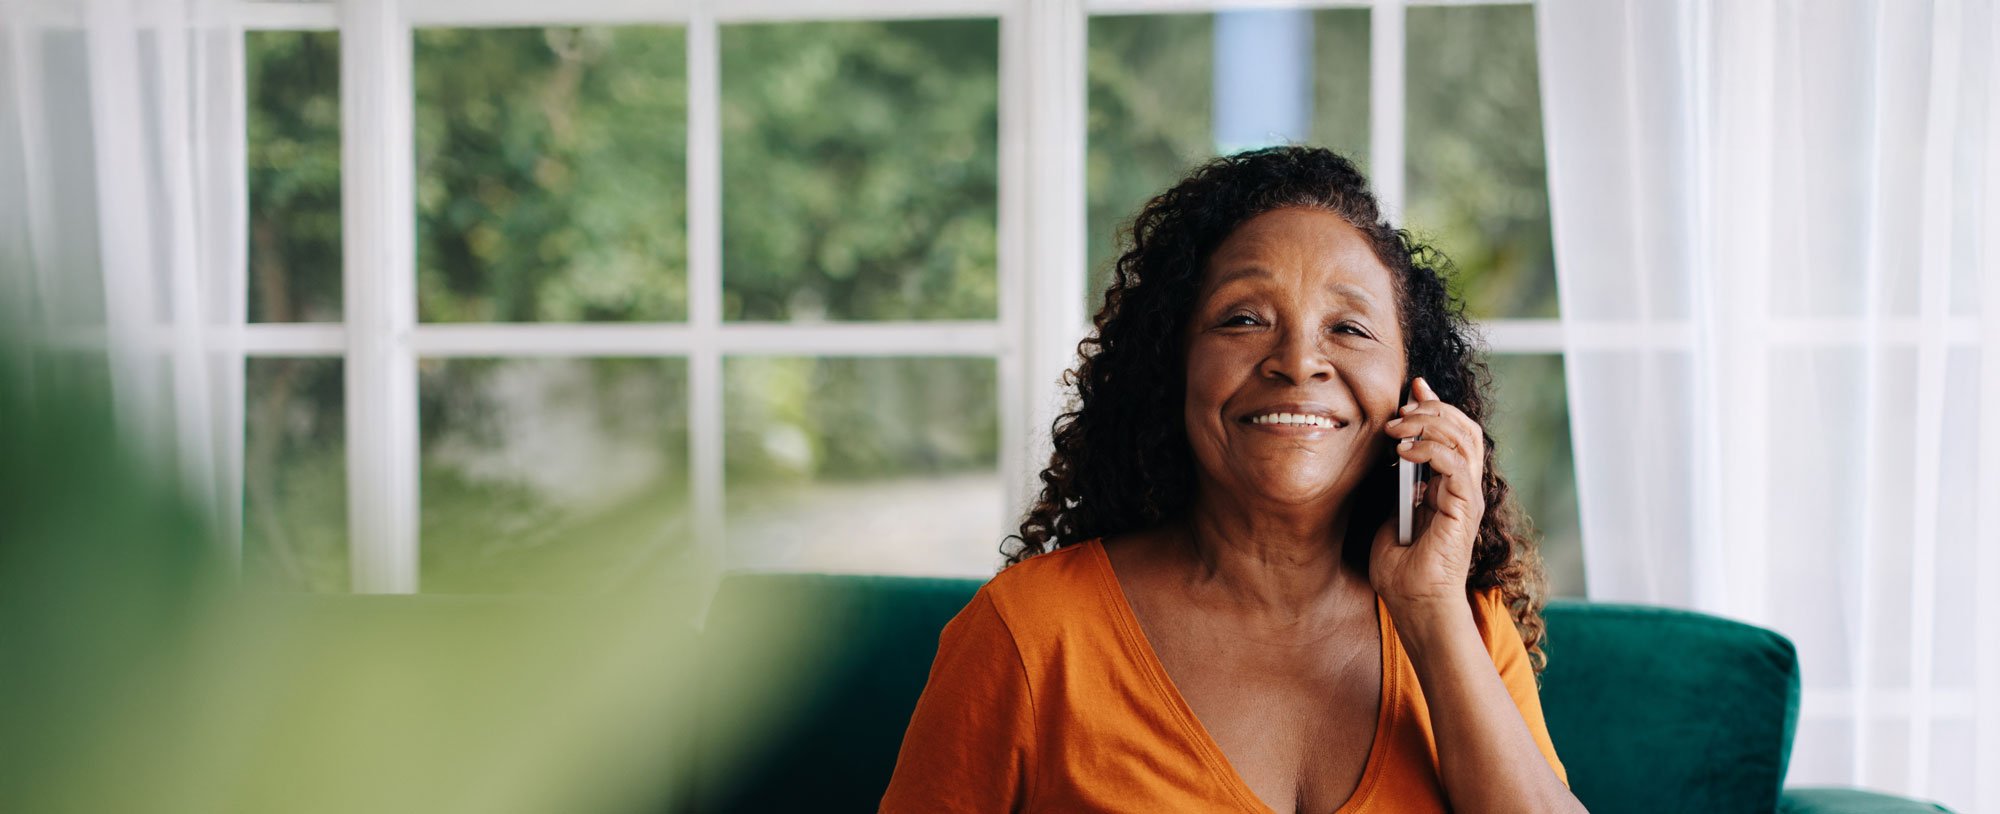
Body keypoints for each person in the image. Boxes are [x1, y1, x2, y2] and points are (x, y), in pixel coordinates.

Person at [880, 146, 1580, 813]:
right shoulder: (1031, 632)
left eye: (1350, 329)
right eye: (1244, 318)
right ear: (1173, 366)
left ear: (1412, 389)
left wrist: (1429, 612)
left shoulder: (1467, 627)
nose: (1298, 362)